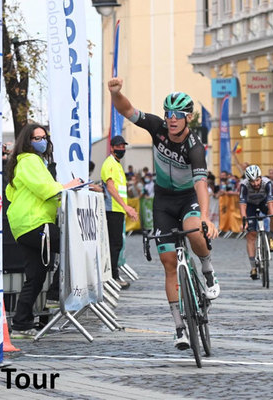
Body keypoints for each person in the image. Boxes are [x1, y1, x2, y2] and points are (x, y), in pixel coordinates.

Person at [108, 77, 220, 350]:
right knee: (169, 263)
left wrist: (205, 217)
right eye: (168, 114)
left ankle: (206, 268)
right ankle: (179, 328)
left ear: (188, 118)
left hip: (187, 198)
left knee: (195, 232)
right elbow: (127, 110)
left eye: (177, 116)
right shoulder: (156, 127)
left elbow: (201, 183)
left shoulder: (194, 145)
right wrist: (116, 93)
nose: (171, 119)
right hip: (163, 201)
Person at [5, 123, 82, 338]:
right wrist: (69, 187)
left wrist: (65, 190)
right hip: (35, 224)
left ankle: (21, 324)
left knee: (36, 275)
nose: (42, 141)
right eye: (36, 137)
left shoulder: (28, 162)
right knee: (71, 244)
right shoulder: (30, 161)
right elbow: (45, 189)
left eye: (44, 137)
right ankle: (55, 295)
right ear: (27, 141)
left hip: (27, 224)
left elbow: (15, 194)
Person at [101, 135, 139, 289]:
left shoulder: (117, 164)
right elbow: (110, 187)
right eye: (119, 146)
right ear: (112, 147)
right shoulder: (109, 163)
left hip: (117, 210)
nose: (121, 149)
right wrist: (126, 207)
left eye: (123, 146)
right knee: (114, 244)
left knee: (116, 243)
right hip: (113, 209)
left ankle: (113, 275)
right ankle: (112, 277)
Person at [239, 165, 273, 279]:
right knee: (251, 235)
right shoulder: (244, 185)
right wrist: (244, 220)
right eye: (252, 181)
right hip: (250, 205)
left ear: (261, 177)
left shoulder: (267, 183)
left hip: (263, 202)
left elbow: (271, 203)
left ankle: (271, 238)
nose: (256, 184)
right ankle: (253, 267)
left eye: (257, 180)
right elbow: (242, 205)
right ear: (248, 180)